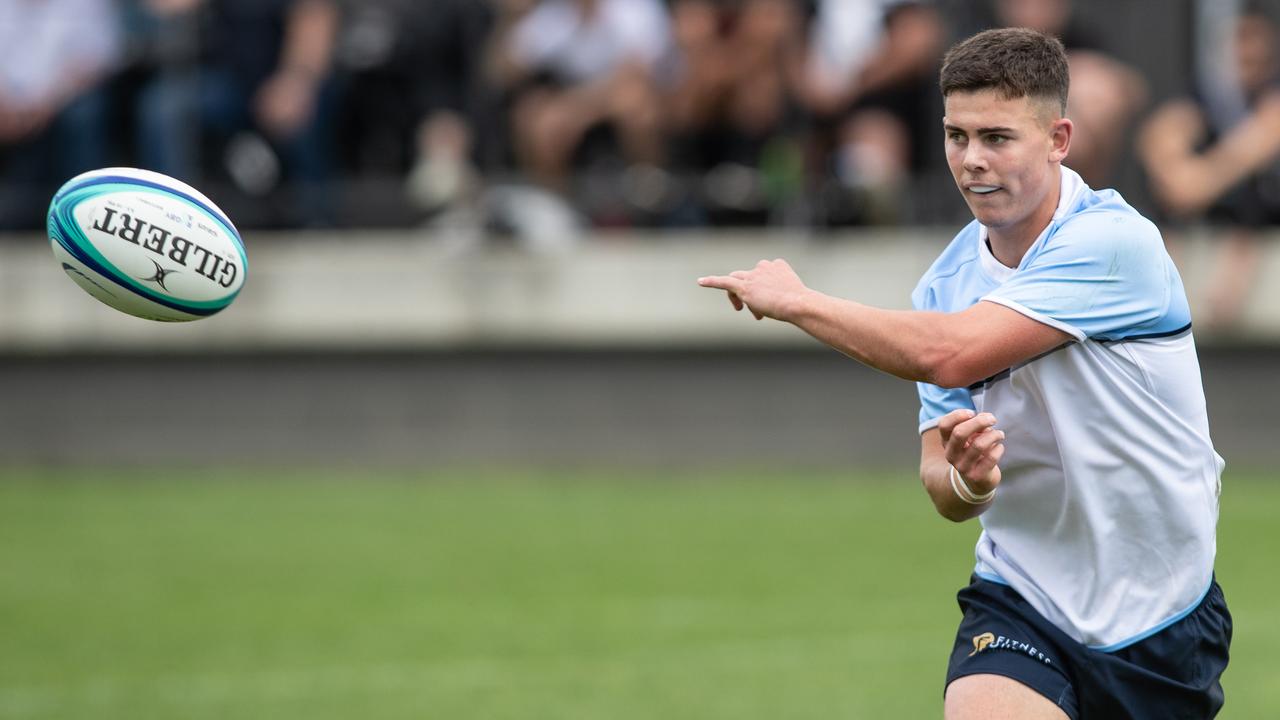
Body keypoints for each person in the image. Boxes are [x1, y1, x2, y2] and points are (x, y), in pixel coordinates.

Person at [698, 28, 1230, 719]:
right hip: (1022, 598)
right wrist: (967, 481)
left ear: (1058, 138)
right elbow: (941, 488)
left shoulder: (1113, 244)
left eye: (997, 138)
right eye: (957, 136)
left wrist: (801, 304)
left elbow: (948, 353)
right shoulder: (942, 285)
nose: (972, 161)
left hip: (1161, 614)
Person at [1137, 0, 1280, 330]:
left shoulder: (1271, 91)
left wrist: (1201, 182)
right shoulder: (1211, 91)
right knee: (1165, 193)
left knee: (1254, 196)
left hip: (1258, 200)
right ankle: (1165, 280)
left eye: (1252, 40)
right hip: (1209, 197)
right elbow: (1165, 130)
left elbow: (1255, 144)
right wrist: (1174, 171)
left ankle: (1229, 287)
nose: (1245, 52)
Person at [0, 0, 123, 230]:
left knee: (84, 114)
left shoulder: (86, 5)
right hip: (8, 106)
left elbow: (98, 60)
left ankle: (83, 217)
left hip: (65, 98)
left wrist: (47, 104)